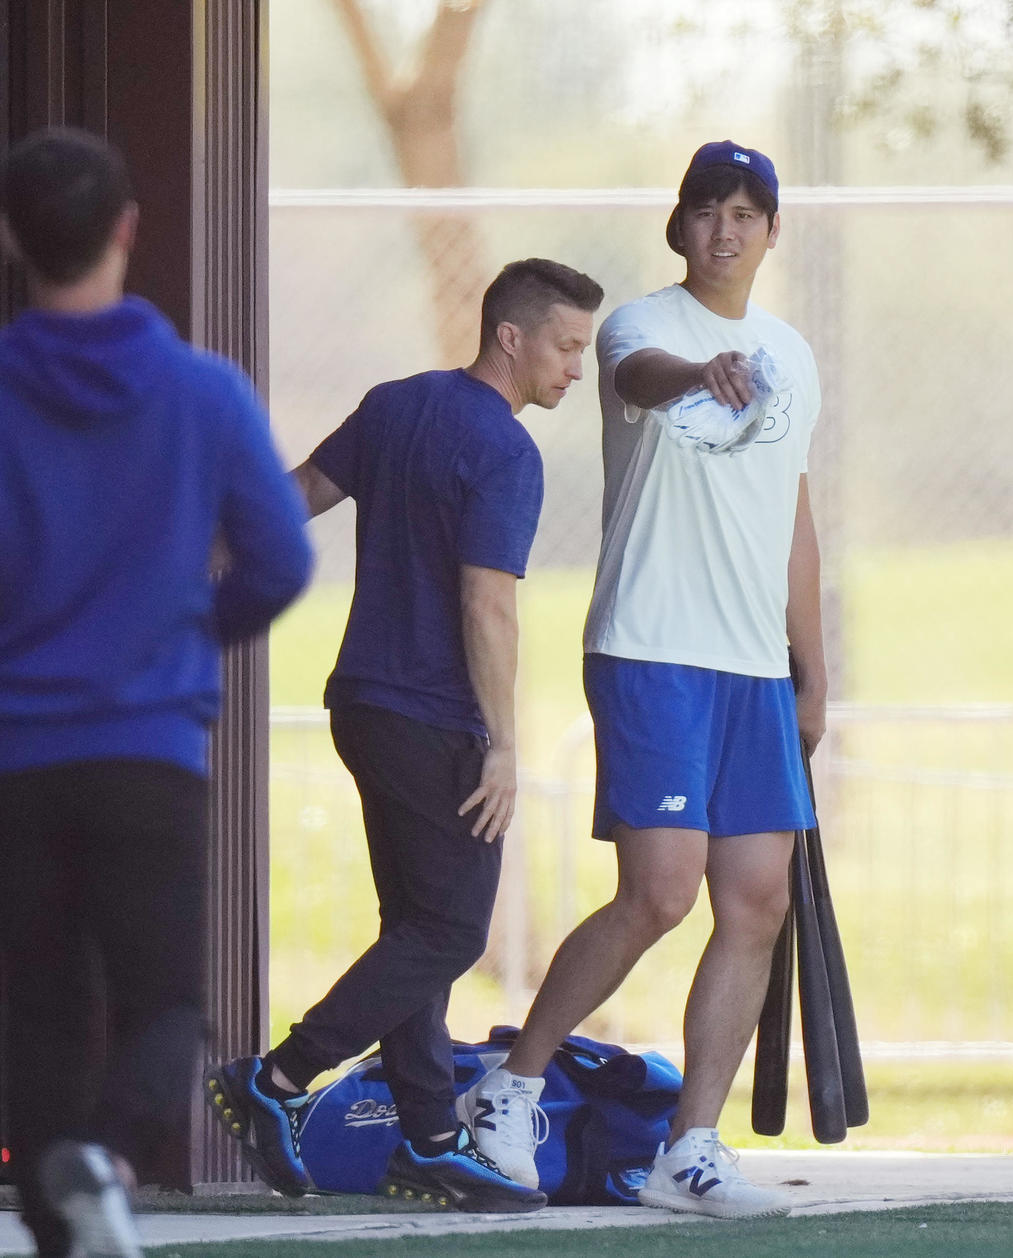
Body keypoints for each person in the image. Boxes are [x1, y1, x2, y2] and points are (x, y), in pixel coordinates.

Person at [458, 141, 826, 1220]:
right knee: (660, 891)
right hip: (651, 647)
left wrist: (814, 671)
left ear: (770, 231)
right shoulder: (642, 329)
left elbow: (794, 522)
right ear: (680, 227)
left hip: (753, 668)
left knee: (755, 901)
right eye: (707, 210)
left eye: (747, 213)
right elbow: (636, 380)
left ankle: (690, 1150)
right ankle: (510, 1086)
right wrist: (698, 375)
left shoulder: (793, 355)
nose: (726, 229)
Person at [205, 258, 604, 1213]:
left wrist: (200, 558)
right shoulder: (506, 453)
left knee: (415, 927)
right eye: (567, 346)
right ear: (511, 338)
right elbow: (488, 606)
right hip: (438, 723)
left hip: (363, 709)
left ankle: (427, 1139)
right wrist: (505, 745)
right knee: (450, 929)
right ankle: (279, 1077)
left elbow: (296, 490)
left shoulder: (395, 405)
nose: (577, 369)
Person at [0, 127, 313, 1258]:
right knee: (163, 999)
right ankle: (112, 1156)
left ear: (10, 239)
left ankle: (56, 1206)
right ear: (129, 229)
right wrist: (184, 640)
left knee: (32, 1006)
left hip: (15, 759)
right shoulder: (204, 393)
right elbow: (281, 561)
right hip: (148, 753)